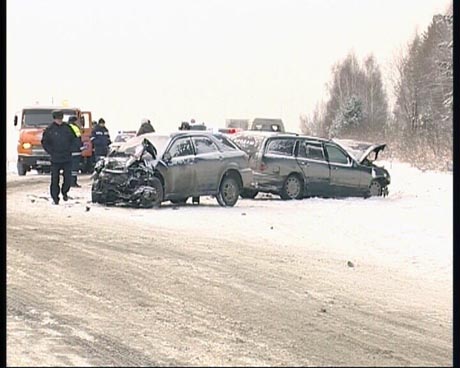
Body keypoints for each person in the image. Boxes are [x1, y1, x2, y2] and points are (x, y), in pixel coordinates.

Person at [41, 109, 75, 205]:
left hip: (67, 157)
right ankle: (55, 198)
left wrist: (71, 149)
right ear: (54, 119)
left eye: (60, 118)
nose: (59, 120)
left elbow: (74, 139)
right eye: (57, 118)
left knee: (68, 178)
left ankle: (65, 192)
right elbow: (44, 142)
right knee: (55, 179)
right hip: (55, 158)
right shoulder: (49, 129)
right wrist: (51, 151)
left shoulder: (67, 128)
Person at [68, 115, 84, 187]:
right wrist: (81, 147)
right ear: (75, 121)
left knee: (69, 168)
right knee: (74, 168)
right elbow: (77, 139)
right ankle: (73, 182)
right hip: (75, 151)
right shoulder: (75, 128)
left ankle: (69, 182)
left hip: (67, 151)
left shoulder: (65, 127)